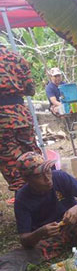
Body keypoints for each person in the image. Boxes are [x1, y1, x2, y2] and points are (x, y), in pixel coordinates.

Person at [0, 43, 40, 193]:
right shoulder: (17, 58)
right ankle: (49, 200)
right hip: (21, 115)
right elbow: (30, 90)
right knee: (33, 156)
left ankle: (27, 206)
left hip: (2, 120)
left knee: (11, 162)